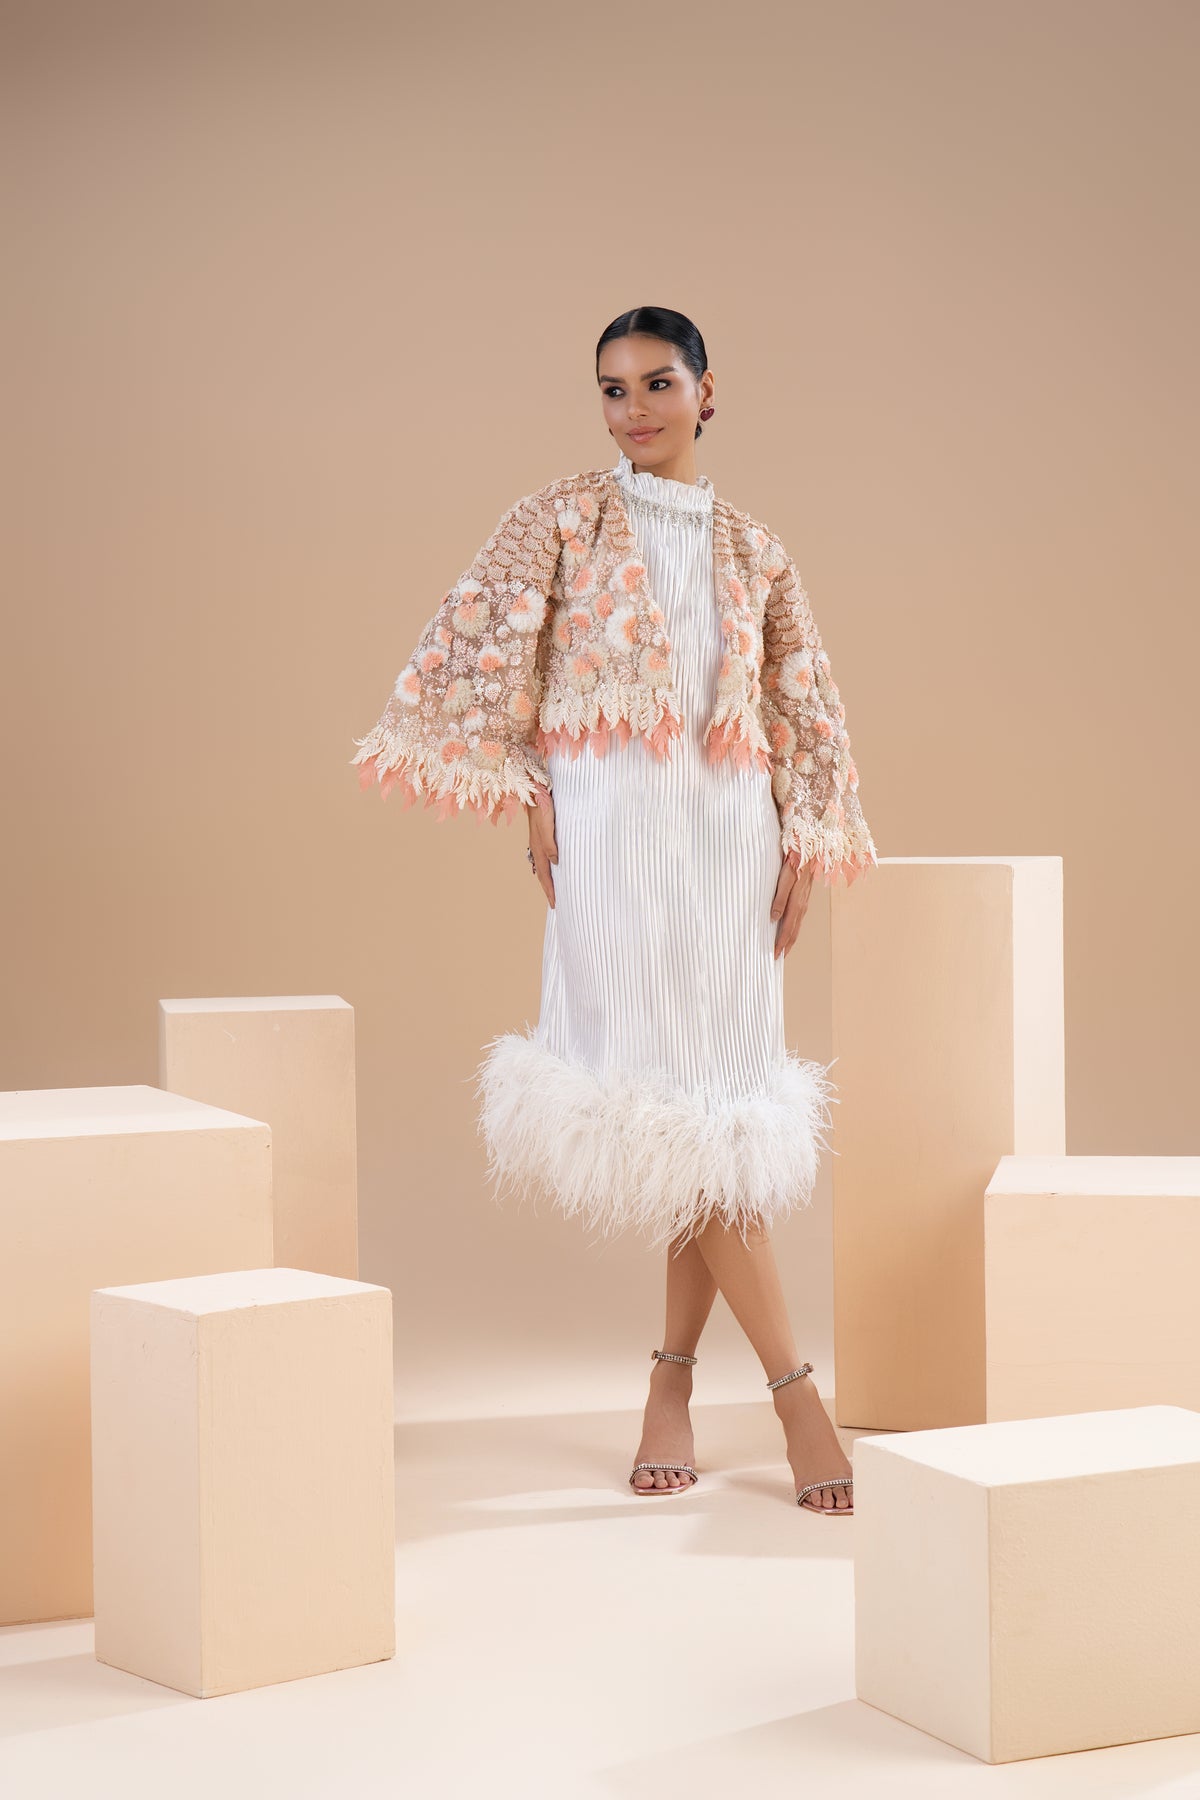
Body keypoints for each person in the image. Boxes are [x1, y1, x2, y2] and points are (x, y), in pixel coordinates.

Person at [351, 305, 878, 1513]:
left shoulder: (758, 549)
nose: (633, 408)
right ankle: (797, 1396)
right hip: (616, 839)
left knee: (712, 1111)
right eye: (611, 389)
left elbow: (804, 707)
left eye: (656, 383)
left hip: (728, 839)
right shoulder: (558, 518)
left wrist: (805, 836)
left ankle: (672, 1386)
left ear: (707, 391)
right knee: (669, 1100)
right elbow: (482, 651)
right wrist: (530, 786)